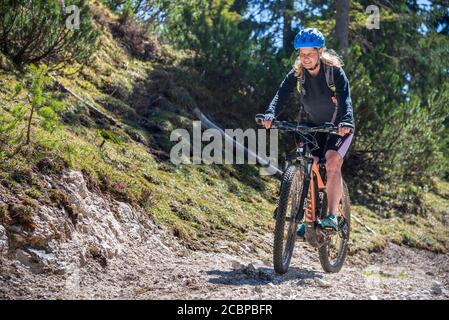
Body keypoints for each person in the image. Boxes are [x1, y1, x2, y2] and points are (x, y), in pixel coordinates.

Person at [262, 27, 355, 238]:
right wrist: (270, 113)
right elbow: (281, 95)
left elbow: (345, 99)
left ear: (320, 52)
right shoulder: (297, 74)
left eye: (309, 53)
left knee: (332, 161)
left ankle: (331, 215)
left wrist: (347, 120)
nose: (305, 58)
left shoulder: (334, 72)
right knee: (307, 163)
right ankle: (308, 218)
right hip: (312, 127)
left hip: (338, 127)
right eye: (301, 54)